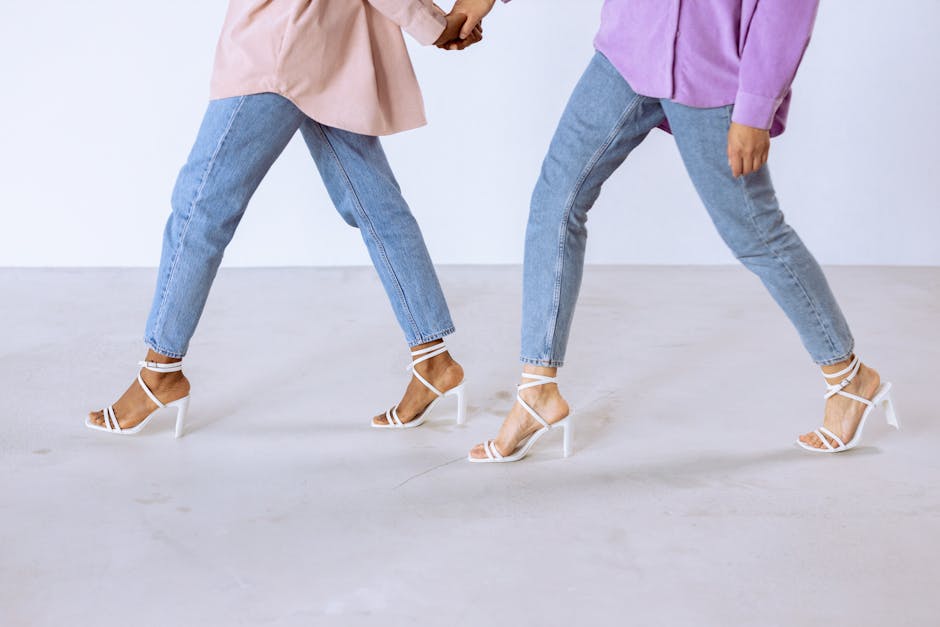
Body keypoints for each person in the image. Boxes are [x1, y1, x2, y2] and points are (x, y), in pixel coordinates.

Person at [454, 0, 899, 462]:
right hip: (628, 50)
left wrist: (756, 106)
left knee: (756, 234)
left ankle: (850, 379)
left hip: (711, 71)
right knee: (555, 202)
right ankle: (537, 390)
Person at [86, 1, 482, 436]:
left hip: (280, 47)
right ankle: (434, 362)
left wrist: (433, 26)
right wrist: (434, 24)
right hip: (328, 48)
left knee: (201, 206)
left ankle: (159, 372)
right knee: (374, 205)